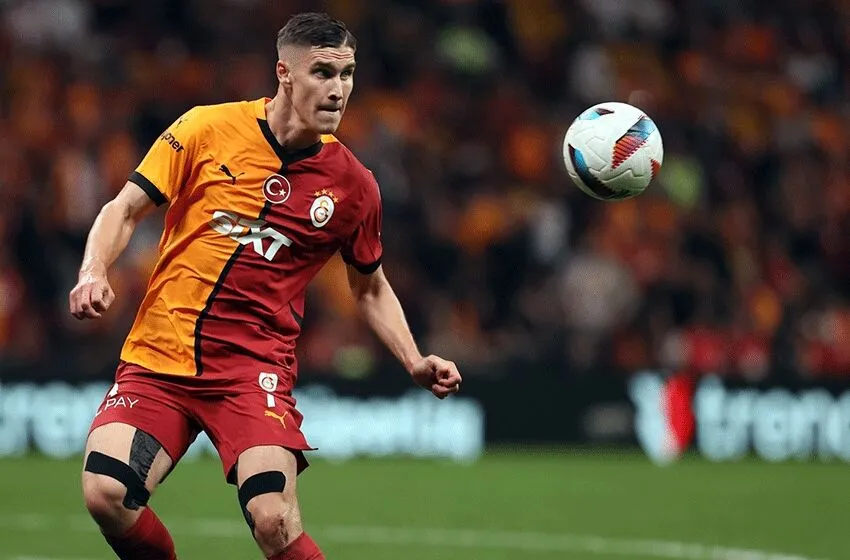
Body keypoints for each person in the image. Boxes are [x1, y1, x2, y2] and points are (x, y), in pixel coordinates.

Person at [69, 12, 462, 560]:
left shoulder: (354, 186)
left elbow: (370, 287)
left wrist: (413, 359)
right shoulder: (205, 128)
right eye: (322, 72)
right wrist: (94, 270)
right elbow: (125, 208)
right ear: (284, 74)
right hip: (160, 356)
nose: (338, 89)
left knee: (273, 519)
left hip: (251, 372)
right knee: (106, 493)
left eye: (347, 74)